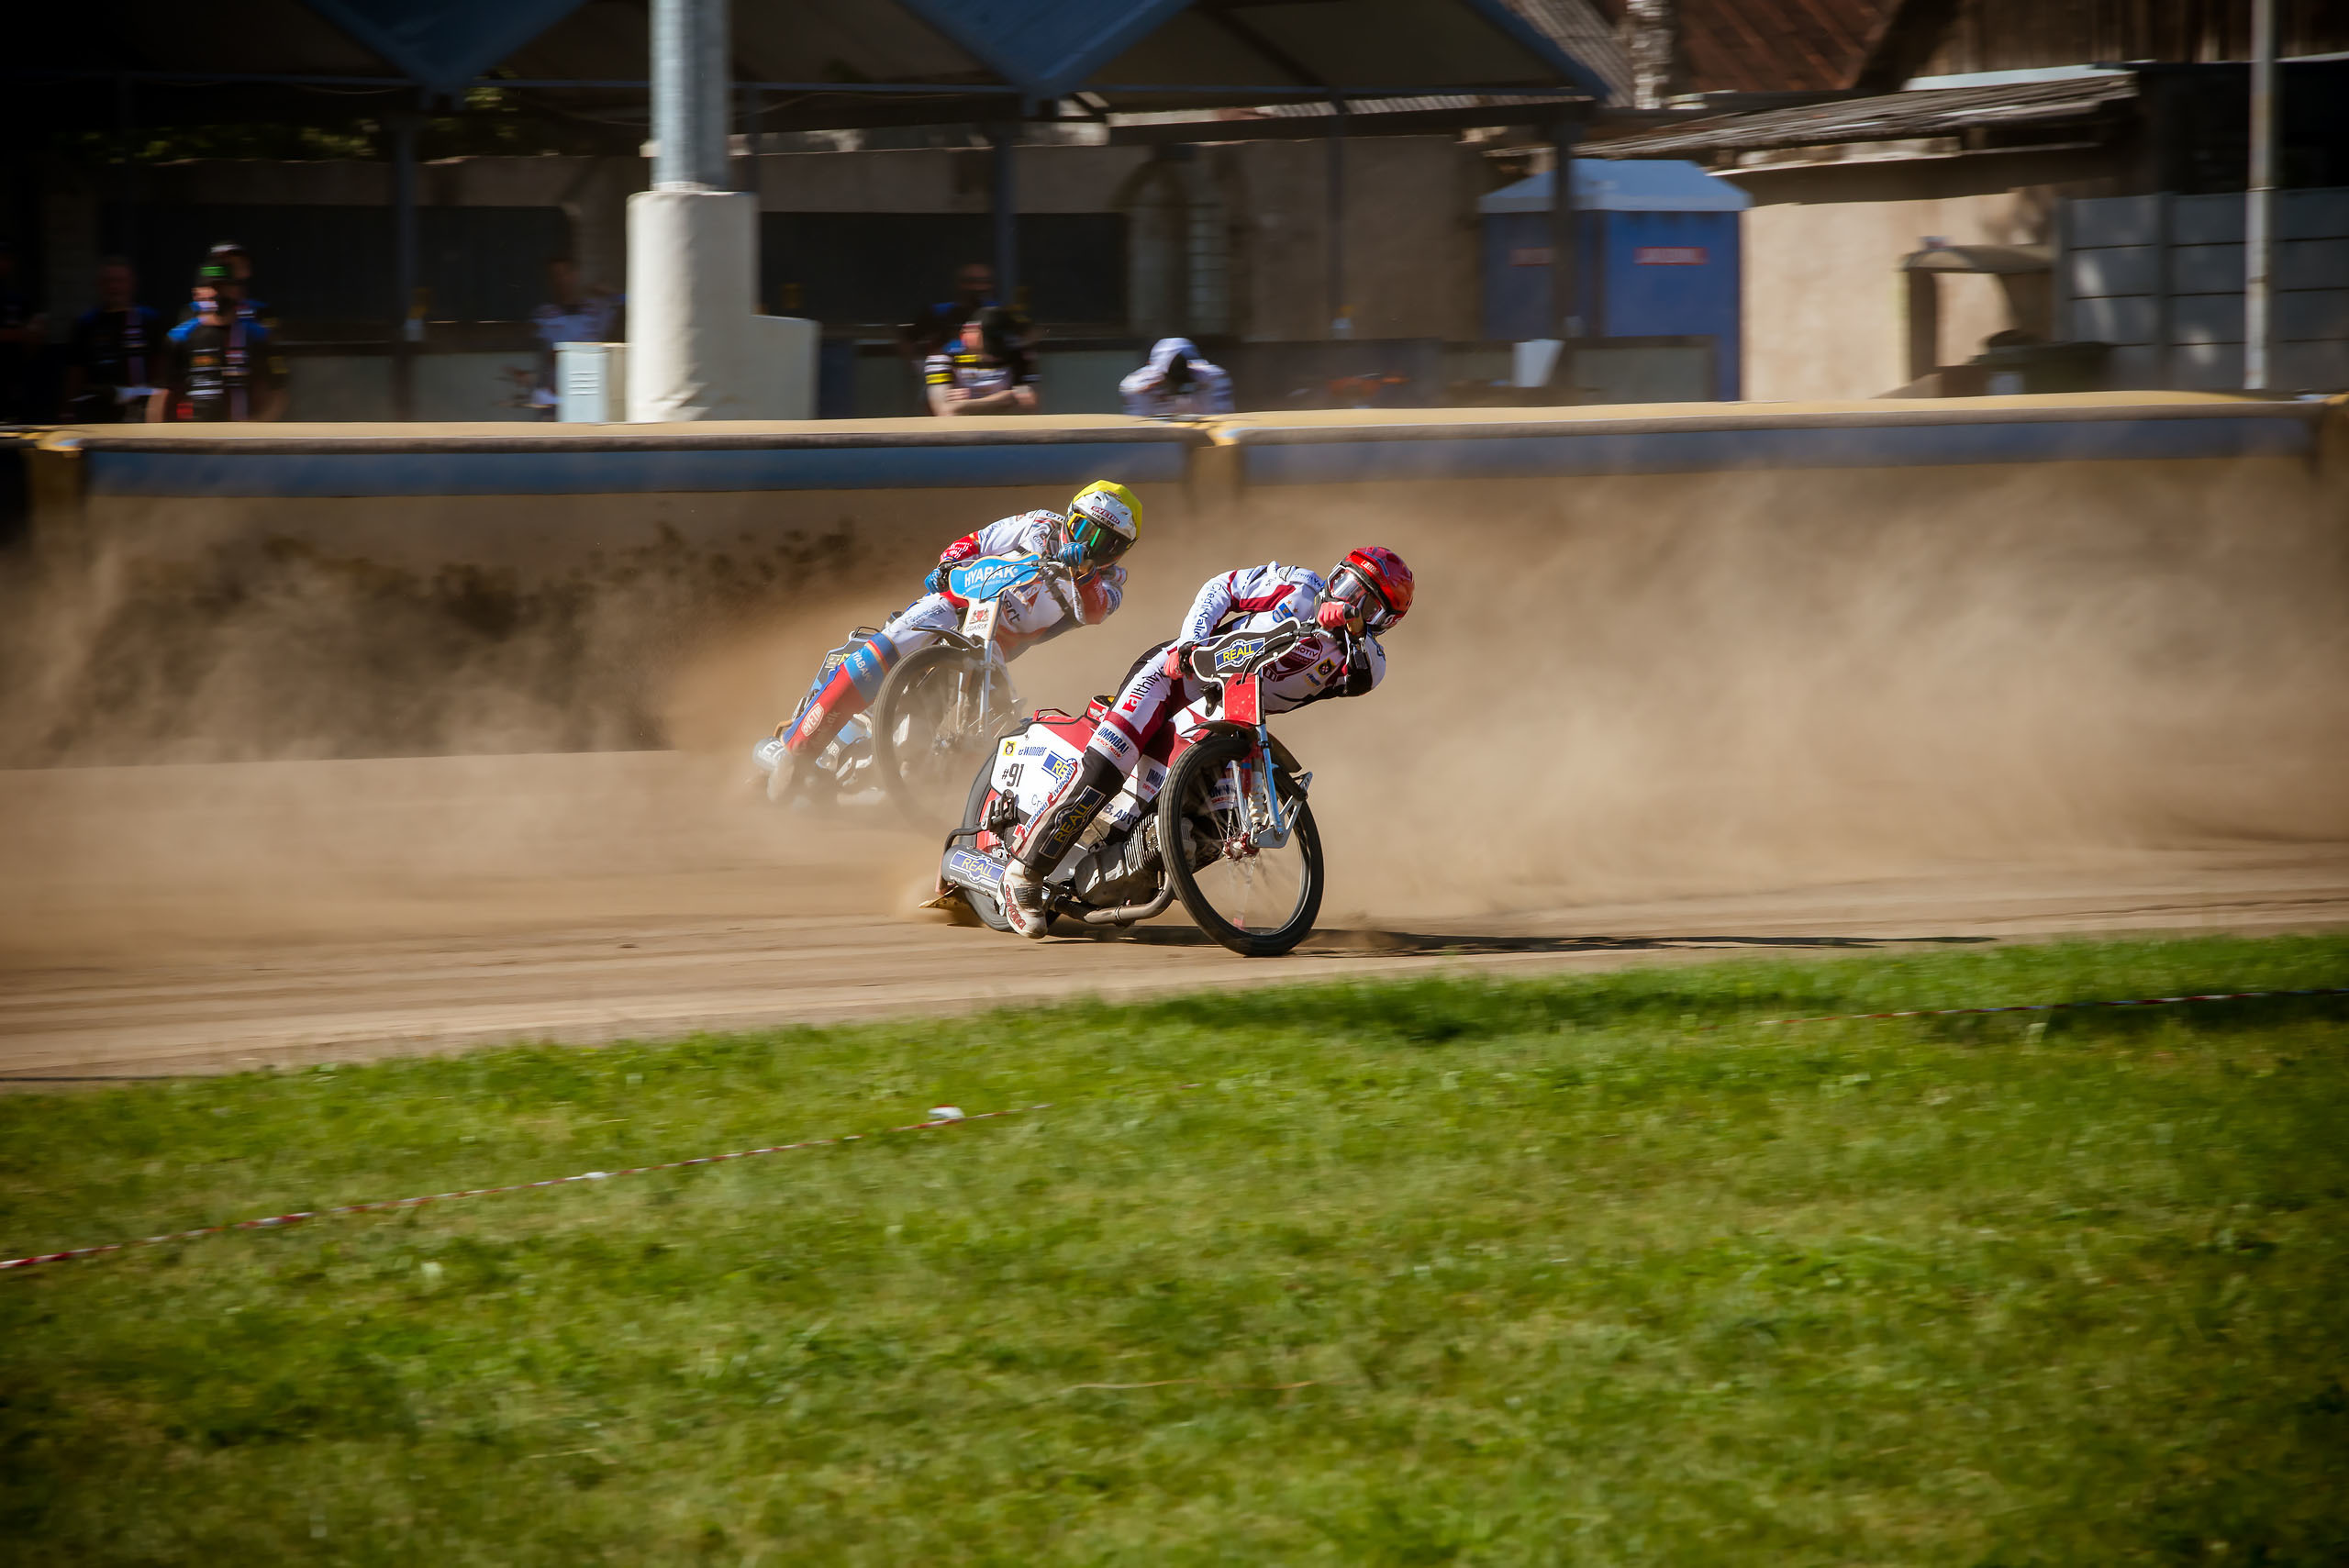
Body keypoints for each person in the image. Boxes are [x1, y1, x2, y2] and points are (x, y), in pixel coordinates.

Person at [997, 546, 1414, 938]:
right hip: (1174, 677)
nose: (1350, 602)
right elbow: (1221, 588)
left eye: (1369, 604)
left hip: (1232, 714)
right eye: (1347, 587)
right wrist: (1190, 642)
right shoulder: (1299, 586)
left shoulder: (1370, 662)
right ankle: (1023, 873)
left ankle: (1131, 871)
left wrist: (1351, 629)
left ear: (1385, 622)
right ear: (1335, 574)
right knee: (1106, 770)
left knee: (1216, 816)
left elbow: (1359, 678)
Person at [754, 480, 1143, 800]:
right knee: (893, 642)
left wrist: (1084, 572)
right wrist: (946, 564)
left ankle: (939, 788)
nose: (1091, 544)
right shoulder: (1039, 524)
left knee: (999, 714)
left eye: (1106, 542)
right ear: (1071, 517)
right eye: (1086, 529)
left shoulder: (1112, 582)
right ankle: (797, 753)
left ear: (1121, 550)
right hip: (956, 603)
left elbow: (1094, 612)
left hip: (992, 646)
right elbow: (977, 541)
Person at [156, 263, 283, 422]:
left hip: (243, 439)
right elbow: (163, 395)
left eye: (223, 287)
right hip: (195, 436)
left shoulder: (257, 335)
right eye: (209, 287)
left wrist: (259, 426)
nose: (216, 294)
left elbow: (277, 392)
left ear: (237, 291)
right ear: (196, 294)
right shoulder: (179, 337)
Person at [61, 258, 165, 423]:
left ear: (131, 283)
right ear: (99, 285)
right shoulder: (86, 324)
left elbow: (160, 365)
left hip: (139, 410)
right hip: (98, 411)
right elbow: (76, 371)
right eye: (108, 281)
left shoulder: (148, 319)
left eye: (120, 281)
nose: (114, 287)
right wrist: (68, 410)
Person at [529, 256, 622, 413]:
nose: (561, 280)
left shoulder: (595, 310)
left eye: (565, 273)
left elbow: (633, 302)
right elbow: (544, 355)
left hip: (591, 391)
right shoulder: (543, 315)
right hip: (556, 395)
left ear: (575, 275)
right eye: (555, 275)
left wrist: (610, 292)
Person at [924, 306, 1039, 417]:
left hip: (1003, 430)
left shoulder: (1018, 356)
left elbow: (1027, 405)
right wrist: (1004, 398)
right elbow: (944, 411)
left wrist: (965, 404)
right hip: (958, 432)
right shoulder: (942, 358)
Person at [900, 261, 997, 361]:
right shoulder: (939, 312)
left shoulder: (997, 314)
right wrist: (915, 372)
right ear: (960, 284)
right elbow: (907, 339)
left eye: (985, 282)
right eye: (973, 281)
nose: (979, 288)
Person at [1119, 336, 1233, 417]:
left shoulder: (1214, 379)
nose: (1178, 374)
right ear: (1151, 367)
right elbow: (1141, 432)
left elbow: (1219, 422)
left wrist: (1201, 390)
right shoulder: (1136, 388)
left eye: (1183, 367)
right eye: (1171, 370)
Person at [0, 240, 43, 425]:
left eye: (6, 259)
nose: (4, 263)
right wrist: (20, 334)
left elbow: (34, 334)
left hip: (15, 376)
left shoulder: (17, 297)